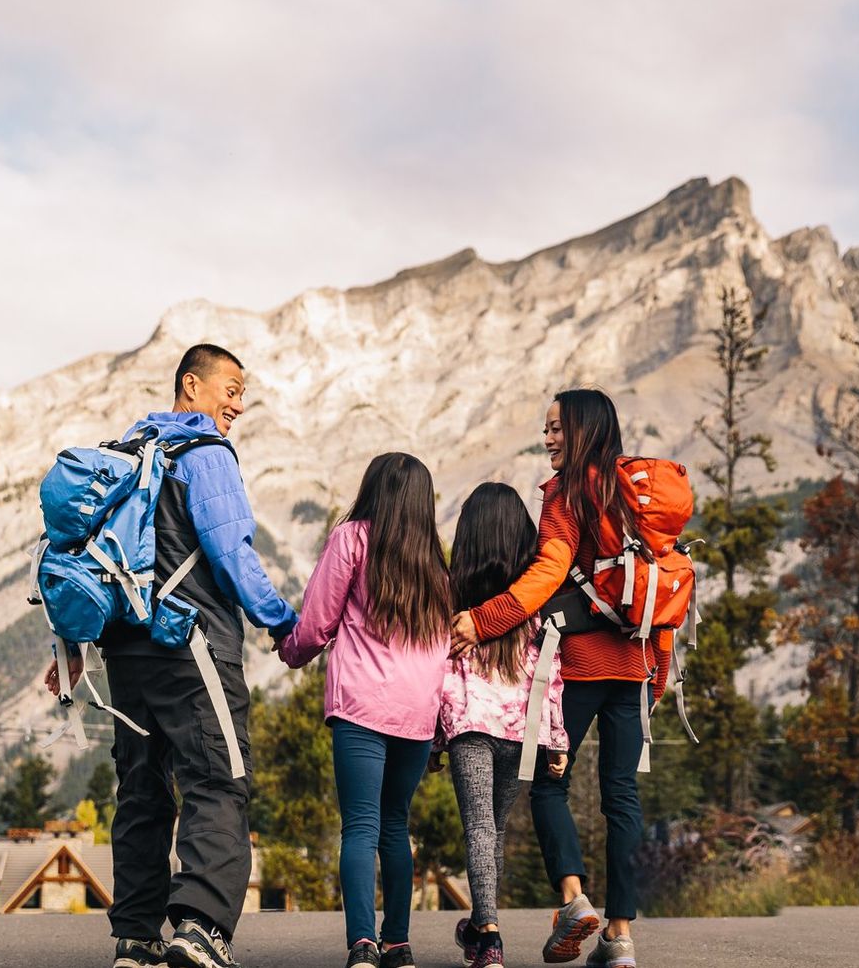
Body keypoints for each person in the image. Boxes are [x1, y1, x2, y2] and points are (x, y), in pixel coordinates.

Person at [45, 344, 297, 968]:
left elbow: (84, 558)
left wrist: (72, 648)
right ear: (192, 385)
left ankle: (136, 937)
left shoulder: (129, 453)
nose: (239, 404)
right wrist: (285, 625)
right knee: (218, 780)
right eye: (230, 389)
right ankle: (201, 928)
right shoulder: (205, 455)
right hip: (191, 645)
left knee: (141, 788)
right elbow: (231, 552)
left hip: (124, 653)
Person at [450, 389, 666, 968]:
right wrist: (658, 676)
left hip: (578, 665)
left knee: (548, 783)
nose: (548, 439)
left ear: (582, 430)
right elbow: (661, 584)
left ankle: (573, 900)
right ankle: (619, 937)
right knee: (623, 797)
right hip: (636, 667)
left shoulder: (567, 495)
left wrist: (483, 618)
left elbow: (547, 573)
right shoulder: (638, 494)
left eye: (556, 429)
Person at [278, 452, 453, 968]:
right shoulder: (434, 563)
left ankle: (362, 945)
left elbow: (316, 621)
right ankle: (398, 944)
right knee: (396, 826)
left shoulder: (353, 538)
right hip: (418, 715)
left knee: (359, 825)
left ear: (373, 489)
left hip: (361, 707)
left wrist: (291, 652)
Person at [435, 483, 571, 968]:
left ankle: (488, 935)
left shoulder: (452, 597)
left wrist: (436, 738)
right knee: (495, 829)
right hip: (522, 731)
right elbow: (550, 670)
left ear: (469, 533)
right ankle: (480, 927)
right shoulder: (530, 601)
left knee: (479, 828)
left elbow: (441, 672)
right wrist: (557, 739)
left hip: (471, 726)